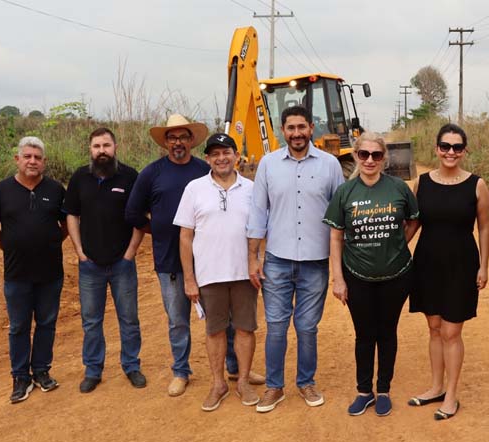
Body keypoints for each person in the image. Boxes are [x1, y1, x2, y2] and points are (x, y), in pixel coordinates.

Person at [246, 105, 345, 413]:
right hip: (276, 259)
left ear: (311, 128)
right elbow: (258, 211)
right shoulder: (268, 165)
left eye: (302, 127)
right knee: (276, 326)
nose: (297, 133)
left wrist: (340, 266)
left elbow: (340, 214)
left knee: (306, 327)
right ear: (282, 131)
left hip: (315, 261)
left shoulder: (330, 165)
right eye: (291, 128)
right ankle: (275, 387)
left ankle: (306, 381)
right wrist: (253, 256)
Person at [323, 133, 419, 417]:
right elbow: (336, 236)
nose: (369, 160)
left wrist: (399, 244)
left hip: (396, 275)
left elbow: (413, 220)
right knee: (364, 334)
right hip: (357, 276)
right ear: (355, 155)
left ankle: (384, 390)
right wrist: (338, 278)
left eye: (376, 155)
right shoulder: (345, 192)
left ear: (384, 158)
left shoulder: (398, 188)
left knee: (387, 332)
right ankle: (364, 391)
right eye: (363, 154)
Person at [408, 123, 489, 420]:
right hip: (428, 262)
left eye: (457, 147)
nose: (451, 152)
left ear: (465, 151)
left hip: (461, 264)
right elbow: (414, 223)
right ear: (436, 149)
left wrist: (484, 266)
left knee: (451, 331)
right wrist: (389, 251)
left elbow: (483, 227)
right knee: (433, 328)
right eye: (445, 146)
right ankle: (435, 387)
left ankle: (452, 395)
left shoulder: (477, 185)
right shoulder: (422, 183)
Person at [173, 133, 260, 411]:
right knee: (215, 331)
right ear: (208, 159)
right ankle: (218, 383)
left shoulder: (251, 189)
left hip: (245, 273)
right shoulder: (194, 189)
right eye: (215, 154)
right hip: (209, 274)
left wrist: (259, 262)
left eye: (227, 152)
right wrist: (189, 278)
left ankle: (243, 381)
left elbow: (261, 232)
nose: (221, 158)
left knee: (245, 329)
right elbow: (185, 237)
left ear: (237, 156)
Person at [125, 114, 210, 397]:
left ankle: (232, 365)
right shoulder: (151, 173)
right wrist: (158, 231)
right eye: (172, 138)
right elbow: (133, 212)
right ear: (165, 143)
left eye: (183, 137)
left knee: (222, 316)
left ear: (191, 141)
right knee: (177, 320)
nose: (177, 143)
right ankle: (181, 371)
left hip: (207, 257)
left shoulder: (203, 170)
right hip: (169, 261)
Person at [0, 137, 68, 404]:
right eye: (27, 156)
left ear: (44, 162)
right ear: (17, 160)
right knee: (18, 326)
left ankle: (41, 371)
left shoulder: (55, 190)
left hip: (50, 272)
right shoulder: (0, 191)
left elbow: (66, 224)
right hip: (17, 273)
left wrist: (52, 241)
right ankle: (20, 377)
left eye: (37, 157)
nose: (32, 161)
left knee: (46, 323)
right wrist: (10, 247)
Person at [64, 127, 146, 393]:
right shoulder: (80, 178)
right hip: (90, 265)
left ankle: (132, 366)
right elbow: (71, 215)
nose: (102, 151)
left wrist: (130, 252)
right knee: (91, 321)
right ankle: (93, 370)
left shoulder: (130, 176)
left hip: (122, 263)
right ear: (90, 149)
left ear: (115, 147)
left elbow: (140, 217)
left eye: (106, 146)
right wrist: (79, 251)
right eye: (97, 146)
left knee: (129, 319)